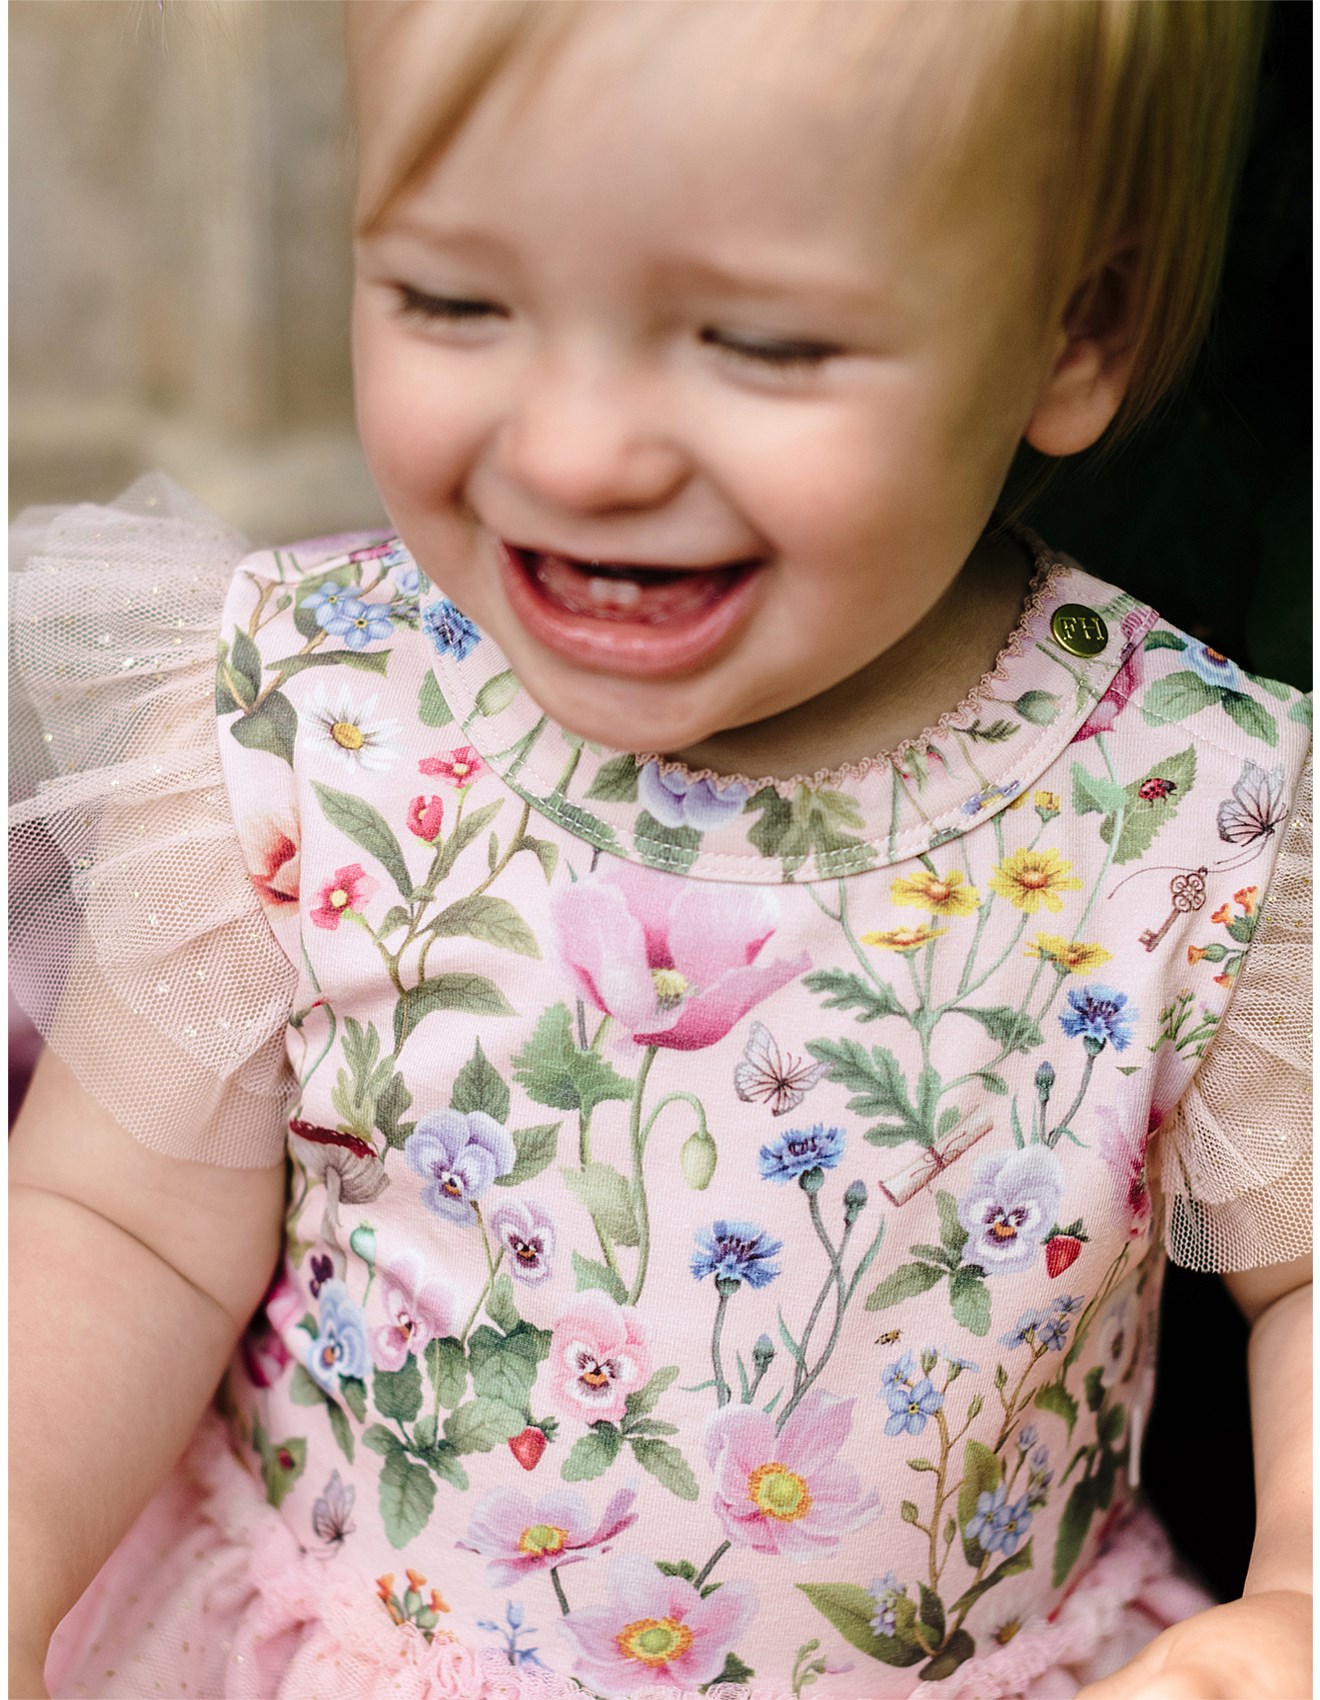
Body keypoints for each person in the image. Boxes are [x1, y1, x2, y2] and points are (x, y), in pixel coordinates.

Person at [9, 4, 1311, 1698]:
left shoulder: (1190, 803)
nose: (576, 452)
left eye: (759, 341)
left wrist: (1299, 1596)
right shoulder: (304, 723)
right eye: (454, 300)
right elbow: (119, 1230)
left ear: (1079, 330)